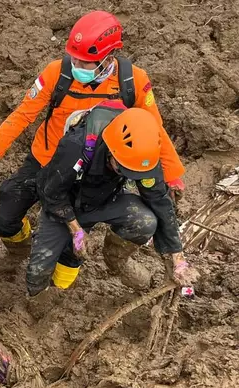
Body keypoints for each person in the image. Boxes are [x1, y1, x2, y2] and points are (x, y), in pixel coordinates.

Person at [0, 11, 186, 261]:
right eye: (73, 59)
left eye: (84, 63)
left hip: (93, 171)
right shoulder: (57, 73)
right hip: (45, 160)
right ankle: (20, 250)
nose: (76, 66)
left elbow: (153, 130)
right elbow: (22, 115)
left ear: (108, 58)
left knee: (73, 241)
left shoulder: (131, 82)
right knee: (4, 218)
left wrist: (172, 174)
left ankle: (96, 263)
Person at [27, 101, 199, 296]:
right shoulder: (77, 146)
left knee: (145, 221)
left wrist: (178, 258)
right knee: (38, 271)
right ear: (111, 149)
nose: (130, 174)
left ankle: (111, 259)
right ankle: (39, 296)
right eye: (123, 169)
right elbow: (51, 191)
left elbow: (160, 202)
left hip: (106, 198)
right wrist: (76, 229)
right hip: (64, 204)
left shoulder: (144, 156)